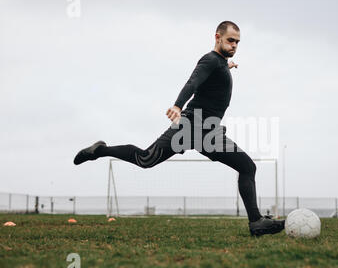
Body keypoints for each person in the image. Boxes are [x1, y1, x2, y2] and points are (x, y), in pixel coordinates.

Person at [73, 21, 285, 236]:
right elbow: (193, 83)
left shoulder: (219, 64)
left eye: (237, 42)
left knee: (247, 167)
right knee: (146, 159)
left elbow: (212, 75)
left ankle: (256, 222)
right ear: (217, 37)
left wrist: (226, 67)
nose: (234, 46)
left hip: (209, 133)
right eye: (230, 40)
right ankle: (100, 150)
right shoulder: (210, 60)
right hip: (190, 127)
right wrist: (177, 105)